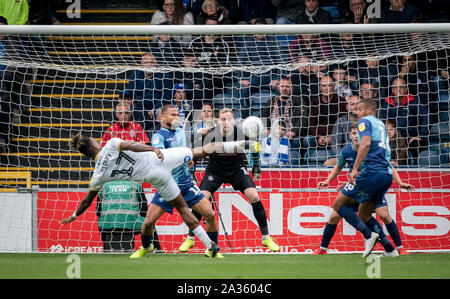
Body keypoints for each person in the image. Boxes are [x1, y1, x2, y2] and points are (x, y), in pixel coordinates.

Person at [59, 130, 260, 257]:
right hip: (161, 159)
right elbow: (131, 145)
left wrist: (74, 216)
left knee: (182, 208)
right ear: (95, 145)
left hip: (156, 177)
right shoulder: (111, 143)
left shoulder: (98, 176)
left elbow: (87, 200)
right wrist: (152, 148)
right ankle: (245, 146)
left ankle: (210, 246)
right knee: (202, 151)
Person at [178, 108, 280, 252]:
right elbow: (197, 151)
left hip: (237, 170)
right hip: (215, 171)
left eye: (229, 119)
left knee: (254, 196)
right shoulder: (211, 133)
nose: (226, 122)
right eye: (223, 119)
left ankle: (266, 237)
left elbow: (254, 146)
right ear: (219, 121)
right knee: (202, 199)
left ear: (234, 120)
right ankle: (190, 238)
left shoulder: (241, 132)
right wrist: (191, 169)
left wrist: (256, 164)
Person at [316, 123, 414, 255]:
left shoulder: (372, 150)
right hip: (356, 189)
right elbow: (338, 167)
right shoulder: (346, 151)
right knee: (334, 216)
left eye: (359, 133)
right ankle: (323, 248)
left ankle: (399, 247)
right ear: (350, 136)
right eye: (354, 133)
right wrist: (328, 180)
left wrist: (400, 183)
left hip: (372, 188)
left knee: (384, 215)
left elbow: (389, 167)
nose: (356, 136)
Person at [142, 105, 223, 258]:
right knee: (148, 222)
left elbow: (184, 152)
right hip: (167, 186)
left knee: (210, 214)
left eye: (178, 114)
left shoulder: (180, 132)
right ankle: (146, 246)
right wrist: (183, 159)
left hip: (185, 184)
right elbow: (162, 160)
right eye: (173, 115)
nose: (177, 117)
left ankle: (212, 251)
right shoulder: (158, 137)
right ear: (163, 118)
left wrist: (188, 160)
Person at [332, 99, 396, 258]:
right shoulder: (381, 124)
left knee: (339, 204)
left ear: (368, 109)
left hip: (371, 172)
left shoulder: (364, 122)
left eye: (359, 109)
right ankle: (389, 249)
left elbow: (365, 144)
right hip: (386, 174)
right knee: (364, 214)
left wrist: (355, 168)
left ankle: (368, 235)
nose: (357, 112)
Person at [379, 77, 429, 161]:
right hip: (393, 139)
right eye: (396, 87)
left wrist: (421, 135)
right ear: (392, 89)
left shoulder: (414, 101)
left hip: (410, 139)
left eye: (401, 87)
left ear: (406, 89)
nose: (398, 89)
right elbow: (382, 123)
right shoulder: (387, 104)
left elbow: (427, 117)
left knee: (416, 146)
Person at [96, 180, 149, 253]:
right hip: (130, 225)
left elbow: (98, 211)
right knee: (149, 221)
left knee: (101, 219)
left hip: (108, 225)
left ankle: (106, 245)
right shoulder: (136, 185)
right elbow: (144, 210)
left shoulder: (105, 185)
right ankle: (153, 247)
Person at [303, 76, 347, 150]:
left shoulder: (341, 101)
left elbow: (343, 123)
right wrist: (318, 137)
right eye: (324, 86)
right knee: (306, 140)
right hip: (318, 136)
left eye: (329, 85)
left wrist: (333, 136)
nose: (327, 88)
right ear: (320, 88)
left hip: (336, 135)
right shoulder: (314, 102)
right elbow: (311, 124)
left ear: (333, 87)